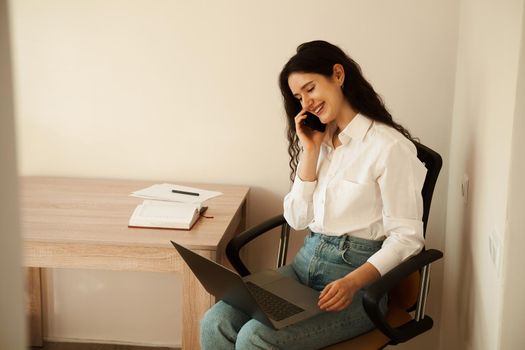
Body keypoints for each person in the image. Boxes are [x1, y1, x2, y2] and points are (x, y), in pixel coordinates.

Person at [200, 40, 427, 349]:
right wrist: (310, 151)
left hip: (354, 284)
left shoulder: (388, 148)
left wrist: (352, 282)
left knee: (255, 337)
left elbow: (408, 237)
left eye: (310, 88)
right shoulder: (319, 138)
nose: (306, 103)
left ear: (337, 74)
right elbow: (297, 219)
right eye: (298, 97)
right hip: (303, 267)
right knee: (215, 321)